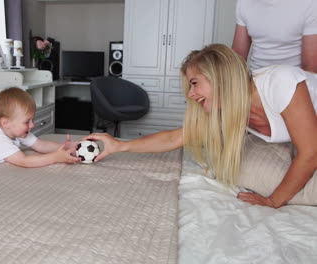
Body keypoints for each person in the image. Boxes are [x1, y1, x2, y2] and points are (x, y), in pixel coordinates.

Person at [85, 44, 317, 208]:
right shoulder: (225, 107)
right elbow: (174, 138)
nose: (191, 94)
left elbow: (310, 153)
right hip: (300, 146)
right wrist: (119, 146)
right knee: (238, 164)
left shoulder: (280, 82)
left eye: (194, 83)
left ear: (218, 76)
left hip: (310, 149)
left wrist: (273, 201)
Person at [0, 87, 79, 177]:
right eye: (27, 122)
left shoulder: (17, 131)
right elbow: (24, 161)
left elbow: (40, 145)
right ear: (6, 123)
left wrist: (64, 147)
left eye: (32, 120)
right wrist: (56, 157)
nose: (32, 125)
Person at [231, 0, 317, 73]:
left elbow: (311, 68)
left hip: (294, 84)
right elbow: (237, 58)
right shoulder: (245, 2)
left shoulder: (310, 3)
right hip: (255, 81)